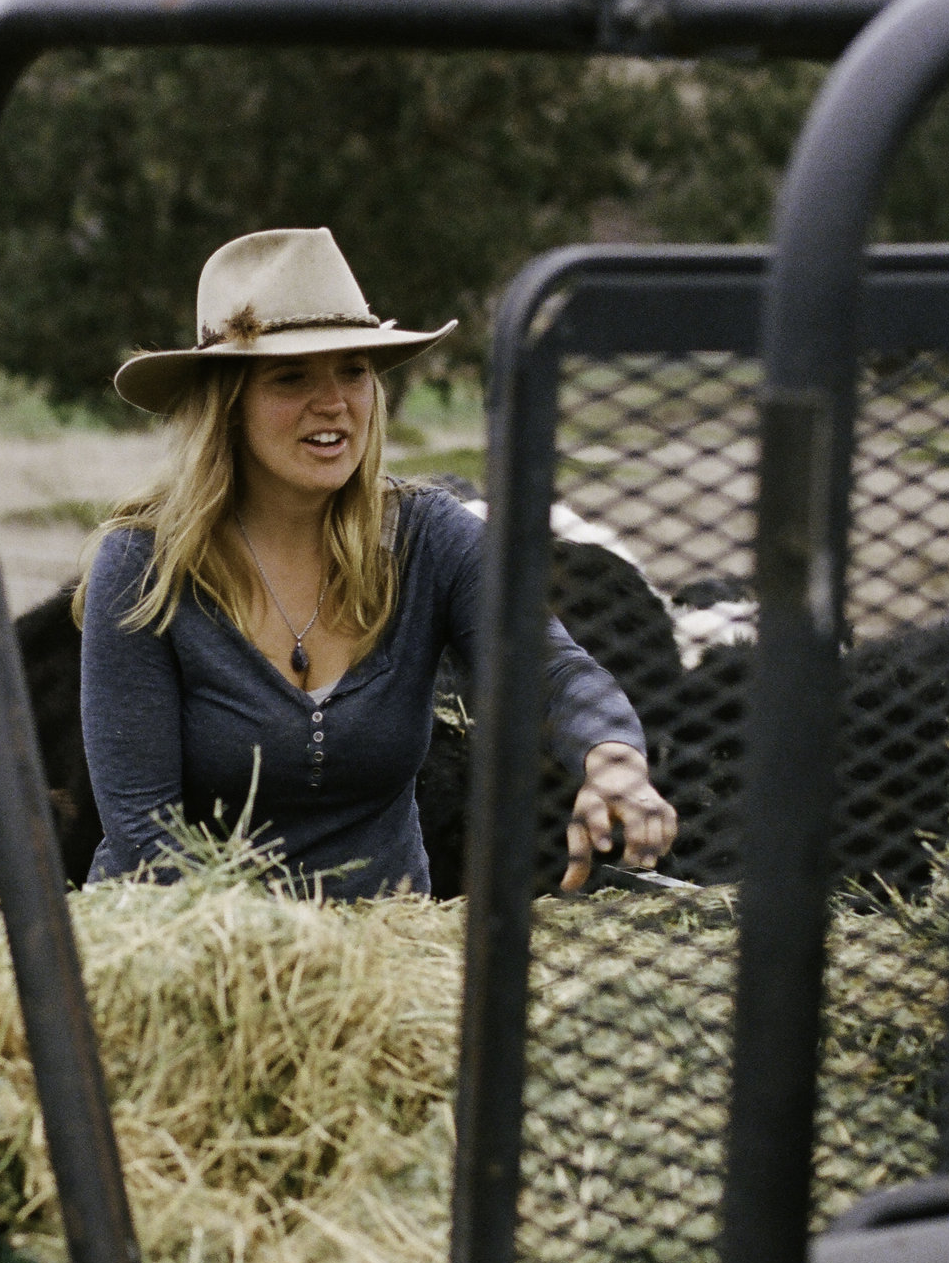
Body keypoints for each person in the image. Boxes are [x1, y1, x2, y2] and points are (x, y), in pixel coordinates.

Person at [77, 227, 675, 897]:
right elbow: (142, 829)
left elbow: (553, 668)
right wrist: (259, 967)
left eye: (354, 370)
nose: (333, 401)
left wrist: (613, 759)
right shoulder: (144, 564)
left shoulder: (428, 538)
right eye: (291, 376)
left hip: (383, 955)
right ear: (227, 405)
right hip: (184, 943)